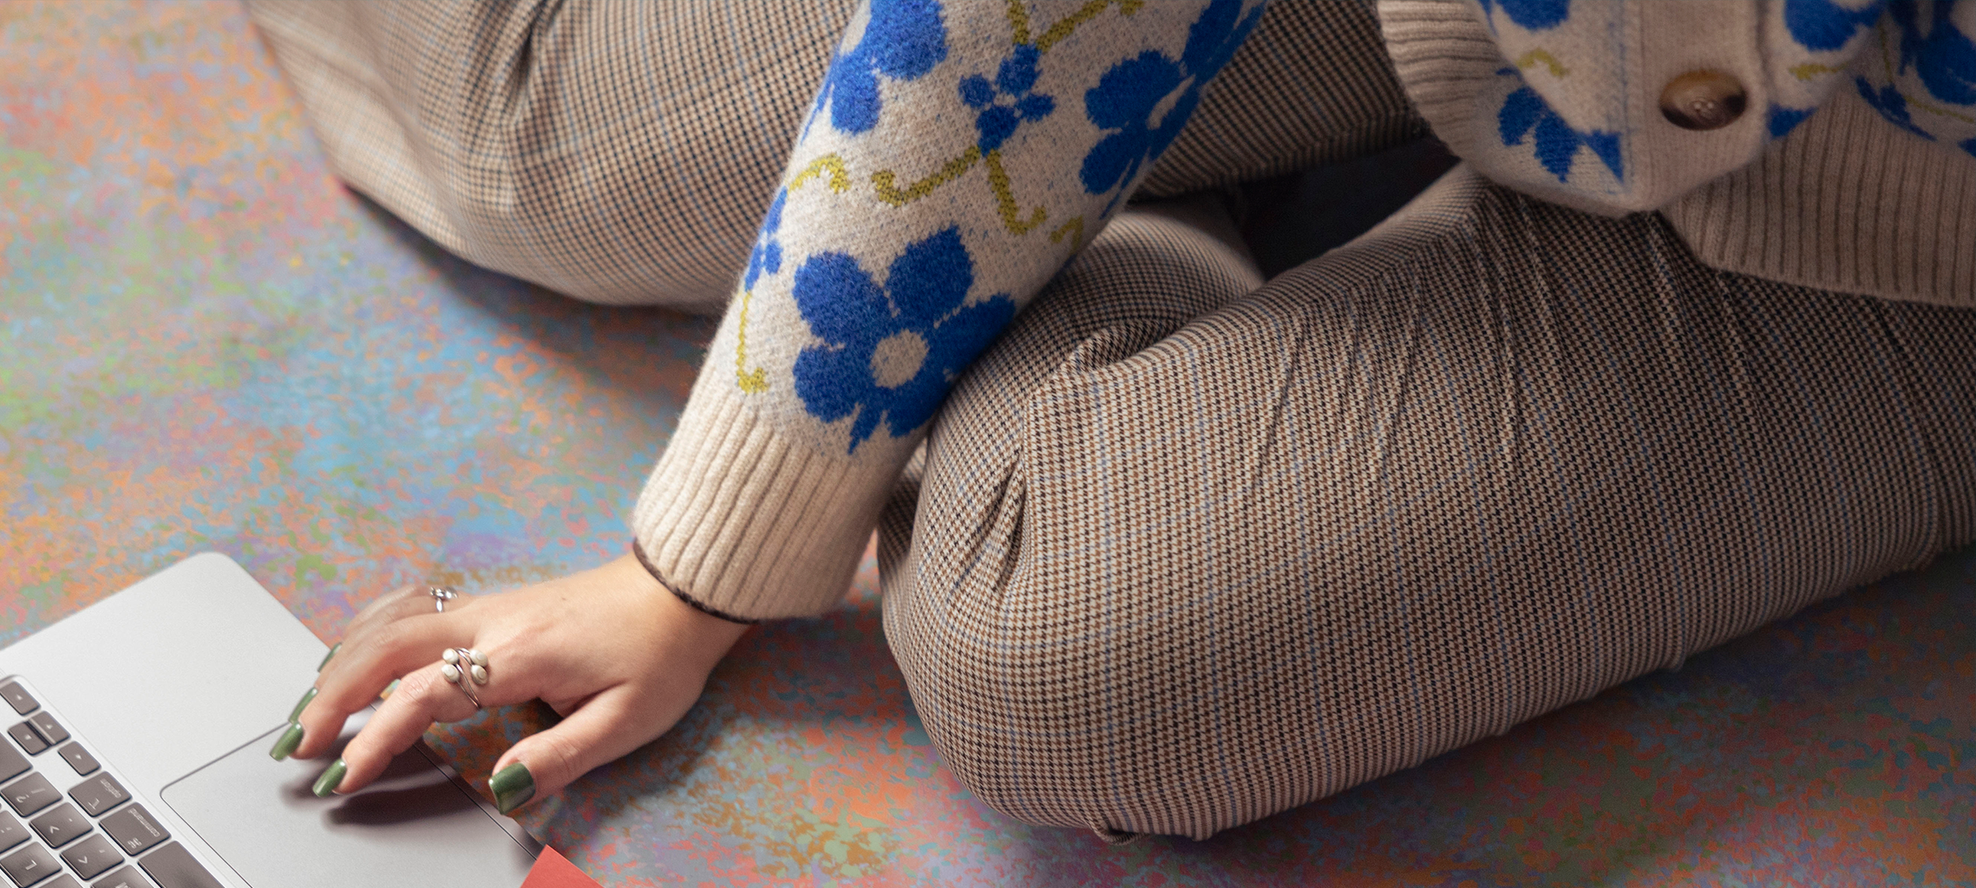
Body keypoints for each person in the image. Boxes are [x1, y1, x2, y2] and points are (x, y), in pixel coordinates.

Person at [245, 0, 1975, 840]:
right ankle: (1162, 178)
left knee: (1059, 649)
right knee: (536, 160)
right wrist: (697, 564)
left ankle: (1152, 190)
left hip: (1926, 235)